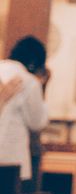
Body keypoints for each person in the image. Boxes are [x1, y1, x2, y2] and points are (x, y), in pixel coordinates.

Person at [0, 37, 49, 184]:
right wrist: (42, 87)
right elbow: (37, 122)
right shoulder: (28, 81)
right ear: (34, 64)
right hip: (10, 157)